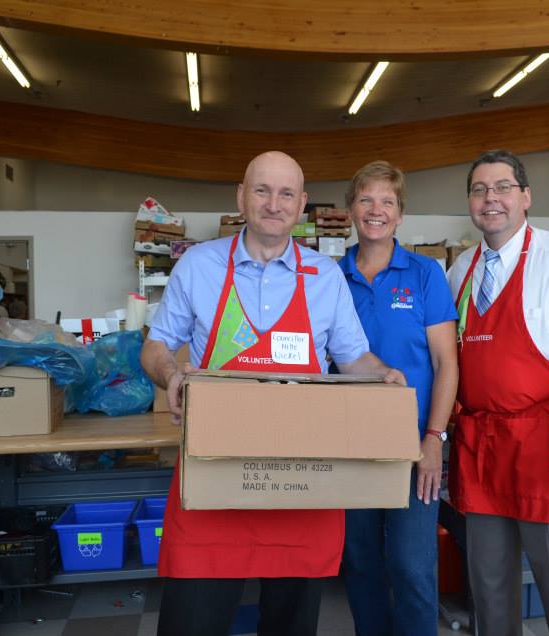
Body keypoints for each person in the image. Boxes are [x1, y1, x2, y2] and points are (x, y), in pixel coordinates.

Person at [141, 151, 406, 636]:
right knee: (191, 622)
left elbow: (353, 358)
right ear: (241, 196)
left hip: (300, 482)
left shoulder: (325, 277)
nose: (273, 204)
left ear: (302, 204)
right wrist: (170, 373)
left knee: (292, 626)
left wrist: (383, 375)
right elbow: (156, 345)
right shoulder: (199, 265)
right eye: (262, 190)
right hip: (213, 474)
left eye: (286, 194)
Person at [446, 150, 549, 636]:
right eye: (479, 189)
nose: (490, 198)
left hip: (548, 448)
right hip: (481, 448)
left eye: (502, 187)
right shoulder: (460, 270)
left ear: (525, 197)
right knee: (489, 586)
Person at [337, 161, 458, 636]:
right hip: (349, 446)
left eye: (387, 201)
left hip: (414, 445)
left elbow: (446, 364)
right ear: (351, 209)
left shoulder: (425, 274)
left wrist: (434, 438)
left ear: (400, 214)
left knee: (411, 565)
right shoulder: (331, 277)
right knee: (361, 562)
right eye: (365, 199)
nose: (376, 210)